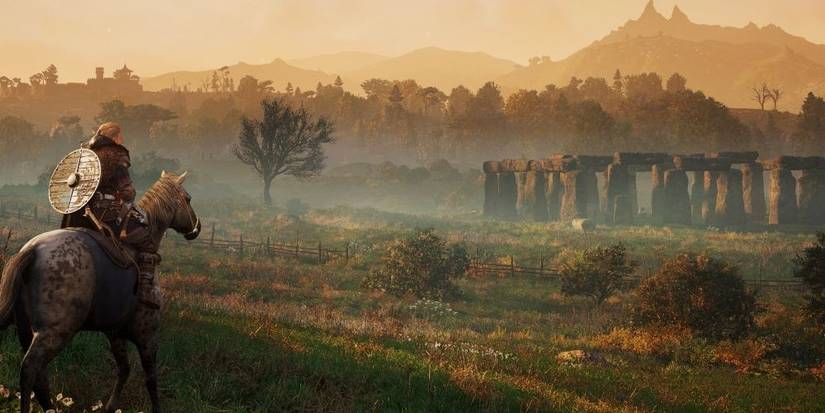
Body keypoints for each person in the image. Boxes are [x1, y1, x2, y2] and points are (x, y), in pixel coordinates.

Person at [61, 122, 161, 309]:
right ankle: (146, 290)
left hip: (79, 213)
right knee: (147, 238)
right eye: (120, 136)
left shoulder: (85, 154)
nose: (122, 139)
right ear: (115, 137)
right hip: (107, 214)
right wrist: (130, 193)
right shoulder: (116, 154)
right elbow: (126, 191)